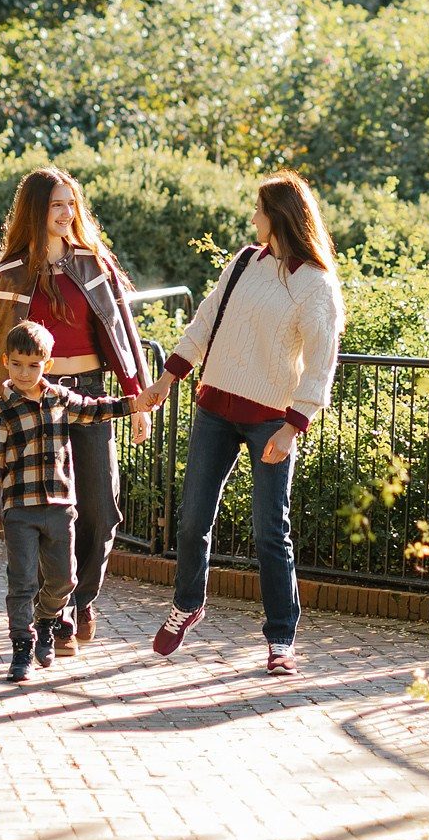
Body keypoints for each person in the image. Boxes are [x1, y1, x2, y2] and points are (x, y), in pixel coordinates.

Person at [139, 172, 345, 676]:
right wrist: (167, 379)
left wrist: (293, 425)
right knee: (192, 519)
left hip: (270, 420)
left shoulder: (316, 285)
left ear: (279, 217)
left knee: (269, 529)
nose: (252, 219)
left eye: (258, 210)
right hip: (215, 409)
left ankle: (281, 639)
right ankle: (187, 604)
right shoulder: (243, 263)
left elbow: (322, 362)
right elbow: (205, 322)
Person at [0, 166, 152, 656]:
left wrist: (137, 401)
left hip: (86, 397)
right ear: (35, 211)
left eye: (72, 204)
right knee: (44, 510)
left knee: (101, 510)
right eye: (56, 205)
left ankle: (80, 598)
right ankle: (58, 615)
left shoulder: (95, 265)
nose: (67, 214)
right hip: (31, 406)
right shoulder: (7, 276)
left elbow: (122, 332)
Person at [0, 320, 159, 682]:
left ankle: (46, 621)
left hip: (59, 507)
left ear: (48, 365)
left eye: (33, 365)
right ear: (6, 362)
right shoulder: (0, 413)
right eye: (16, 364)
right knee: (22, 580)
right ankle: (22, 647)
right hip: (20, 512)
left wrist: (133, 403)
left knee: (64, 579)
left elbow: (94, 409)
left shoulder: (59, 400)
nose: (24, 373)